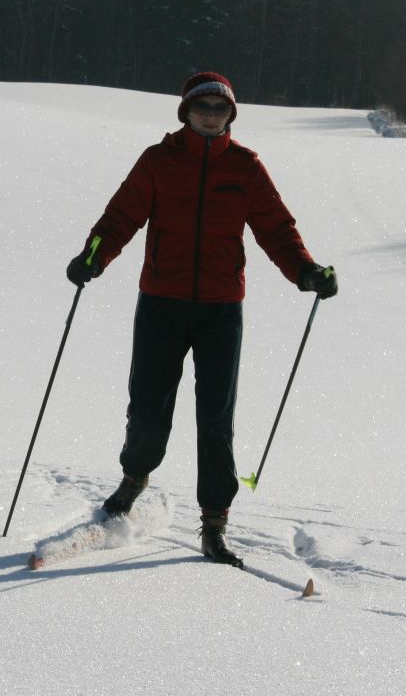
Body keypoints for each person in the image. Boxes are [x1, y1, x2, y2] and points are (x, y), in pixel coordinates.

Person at [66, 72, 337, 568]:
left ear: (230, 114)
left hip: (220, 310)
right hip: (161, 305)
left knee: (216, 420)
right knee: (147, 408)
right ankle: (133, 481)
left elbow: (276, 228)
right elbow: (121, 216)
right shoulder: (158, 161)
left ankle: (214, 523)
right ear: (186, 111)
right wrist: (93, 257)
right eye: (203, 105)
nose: (211, 113)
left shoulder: (246, 167)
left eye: (220, 107)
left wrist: (305, 271)